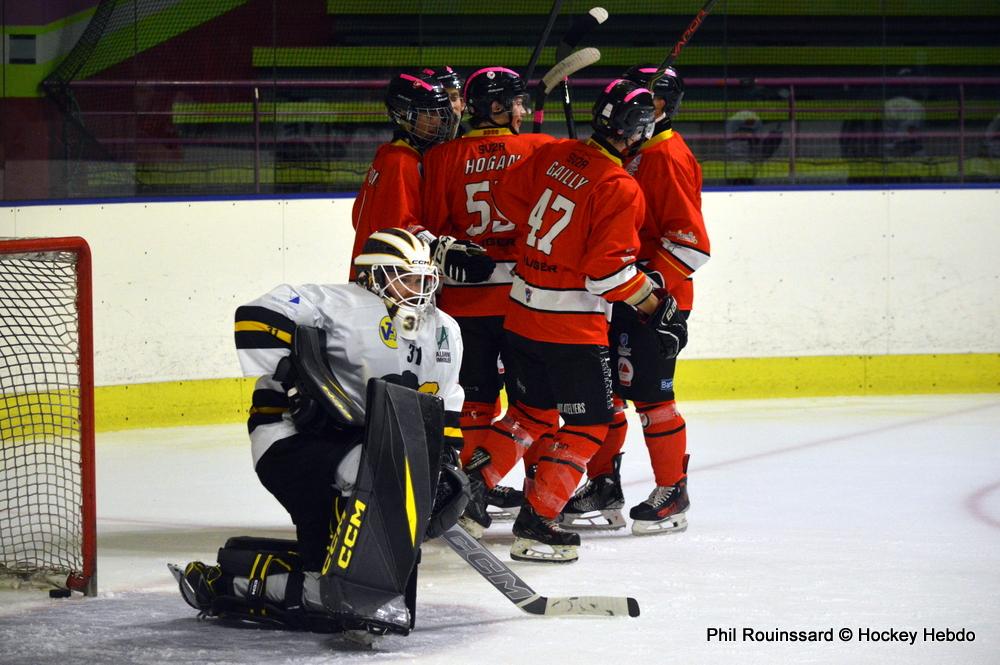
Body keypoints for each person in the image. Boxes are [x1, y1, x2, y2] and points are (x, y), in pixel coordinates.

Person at [173, 228, 469, 636]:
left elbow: (445, 400)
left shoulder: (444, 330)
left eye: (424, 279)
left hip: (363, 446)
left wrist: (445, 460)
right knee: (369, 475)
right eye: (407, 278)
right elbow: (254, 317)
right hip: (292, 439)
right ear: (372, 276)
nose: (418, 289)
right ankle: (282, 583)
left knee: (329, 574)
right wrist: (298, 381)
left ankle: (328, 583)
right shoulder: (335, 304)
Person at [459, 79, 689, 563]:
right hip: (570, 326)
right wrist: (654, 305)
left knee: (527, 415)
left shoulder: (554, 154)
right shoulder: (620, 186)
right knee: (590, 424)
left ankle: (468, 495)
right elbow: (608, 275)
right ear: (639, 132)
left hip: (520, 313)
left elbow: (507, 201)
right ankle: (538, 522)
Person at [560, 65, 710, 536]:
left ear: (663, 106)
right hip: (618, 293)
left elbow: (691, 243)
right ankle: (604, 486)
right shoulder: (635, 150)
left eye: (649, 100)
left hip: (653, 303)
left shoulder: (666, 156)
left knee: (652, 397)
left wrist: (647, 292)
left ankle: (673, 491)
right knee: (606, 395)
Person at [419, 66, 555, 518]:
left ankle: (466, 499)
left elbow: (432, 231)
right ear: (497, 107)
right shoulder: (540, 148)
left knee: (474, 402)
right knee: (534, 405)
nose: (522, 111)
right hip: (523, 304)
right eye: (516, 103)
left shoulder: (442, 157)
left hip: (464, 304)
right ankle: (538, 495)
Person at [348, 72, 459, 278]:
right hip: (390, 279)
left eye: (439, 114)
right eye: (428, 115)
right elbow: (402, 227)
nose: (437, 122)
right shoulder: (402, 161)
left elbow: (357, 217)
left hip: (375, 272)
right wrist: (441, 248)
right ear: (402, 115)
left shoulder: (388, 153)